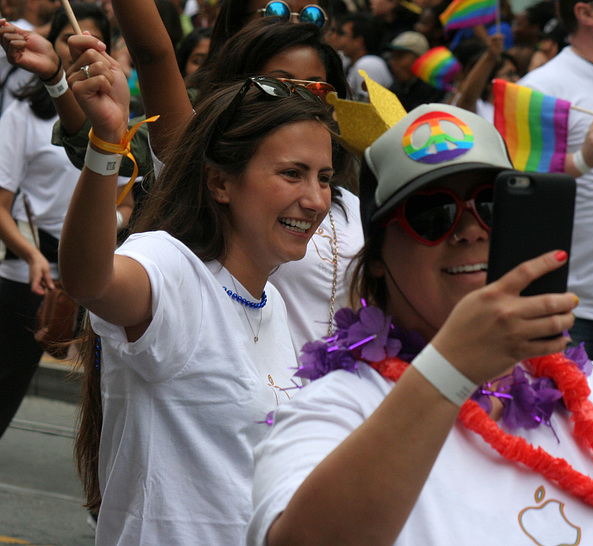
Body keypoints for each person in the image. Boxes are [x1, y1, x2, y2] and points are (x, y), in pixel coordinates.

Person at [248, 103, 593, 544]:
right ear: (377, 259)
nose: (470, 231)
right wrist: (450, 368)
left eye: (491, 204)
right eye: (431, 214)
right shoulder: (337, 409)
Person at [61, 32, 337, 543]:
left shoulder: (271, 301)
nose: (316, 200)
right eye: (292, 174)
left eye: (324, 178)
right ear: (220, 182)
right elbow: (88, 278)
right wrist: (106, 144)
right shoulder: (173, 268)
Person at [72, 0, 363, 353]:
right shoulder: (179, 256)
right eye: (278, 86)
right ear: (220, 182)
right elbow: (154, 55)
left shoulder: (347, 206)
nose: (298, 102)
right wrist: (104, 140)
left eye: (316, 89)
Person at [0, 3, 119, 440]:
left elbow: (124, 176)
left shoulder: (122, 118)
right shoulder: (22, 116)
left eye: (90, 43)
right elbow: (1, 204)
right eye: (69, 43)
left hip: (95, 278)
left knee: (103, 410)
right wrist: (31, 254)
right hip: (27, 278)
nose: (79, 53)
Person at [519, 0, 593, 389]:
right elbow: (516, 189)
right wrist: (582, 161)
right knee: (572, 438)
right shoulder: (541, 89)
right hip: (573, 310)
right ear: (586, 13)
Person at [335, 11, 393, 101]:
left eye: (343, 34)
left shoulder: (367, 65)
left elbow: (369, 108)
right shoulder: (348, 63)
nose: (338, 38)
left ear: (358, 41)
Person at [386, 30, 445, 110]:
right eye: (392, 57)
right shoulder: (395, 89)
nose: (393, 63)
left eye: (399, 56)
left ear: (420, 59)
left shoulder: (435, 91)